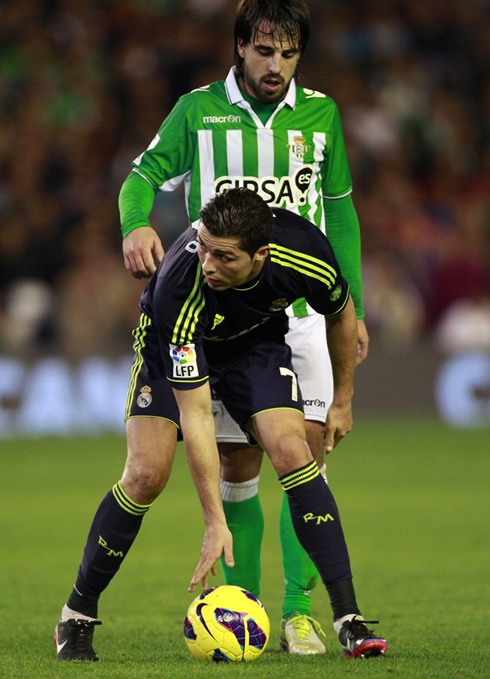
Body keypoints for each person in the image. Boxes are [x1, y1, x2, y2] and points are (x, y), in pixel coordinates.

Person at [119, 0, 370, 655]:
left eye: (288, 53)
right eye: (264, 50)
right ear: (240, 46)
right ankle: (243, 604)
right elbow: (140, 177)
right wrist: (136, 222)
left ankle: (298, 611)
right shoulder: (197, 110)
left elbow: (340, 217)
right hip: (230, 310)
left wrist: (355, 306)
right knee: (237, 459)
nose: (276, 65)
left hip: (305, 309)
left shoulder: (322, 116)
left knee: (306, 455)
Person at [55, 188, 387, 662]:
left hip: (254, 347)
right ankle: (77, 615)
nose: (207, 262)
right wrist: (213, 522)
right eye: (203, 246)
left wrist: (343, 398)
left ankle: (349, 619)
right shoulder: (180, 284)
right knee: (146, 475)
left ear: (262, 255)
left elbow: (340, 314)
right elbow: (196, 415)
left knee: (295, 452)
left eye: (223, 255)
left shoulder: (306, 252)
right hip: (173, 346)